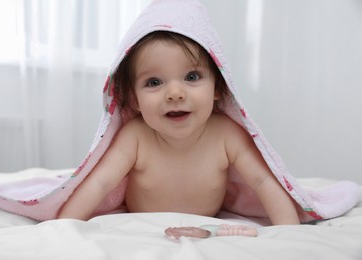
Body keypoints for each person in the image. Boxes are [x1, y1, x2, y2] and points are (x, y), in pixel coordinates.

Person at [58, 31, 300, 225]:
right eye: (154, 82)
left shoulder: (226, 135)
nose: (175, 94)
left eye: (192, 77)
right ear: (134, 100)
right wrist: (63, 226)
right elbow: (100, 183)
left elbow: (262, 181)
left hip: (205, 226)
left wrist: (289, 233)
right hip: (145, 226)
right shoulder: (136, 136)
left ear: (218, 87)